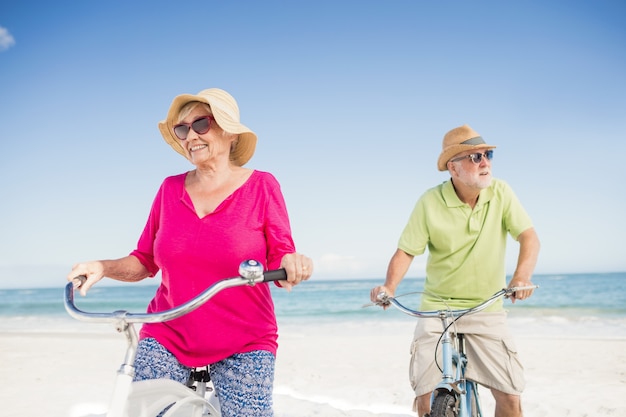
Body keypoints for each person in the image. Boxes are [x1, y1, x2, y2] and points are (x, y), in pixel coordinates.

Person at [68, 88, 313, 417]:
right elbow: (144, 261)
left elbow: (281, 257)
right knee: (140, 409)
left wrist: (293, 264)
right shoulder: (169, 189)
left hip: (244, 337)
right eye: (182, 129)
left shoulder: (262, 186)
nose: (190, 136)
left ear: (228, 132)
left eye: (201, 124)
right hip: (168, 329)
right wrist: (103, 266)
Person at [370, 124, 540, 417]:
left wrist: (521, 276)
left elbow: (529, 238)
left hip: (486, 310)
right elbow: (406, 251)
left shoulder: (501, 192)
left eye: (487, 154)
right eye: (475, 157)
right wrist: (389, 287)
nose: (485, 162)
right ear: (454, 167)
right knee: (425, 395)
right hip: (437, 310)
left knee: (511, 397)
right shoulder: (429, 201)